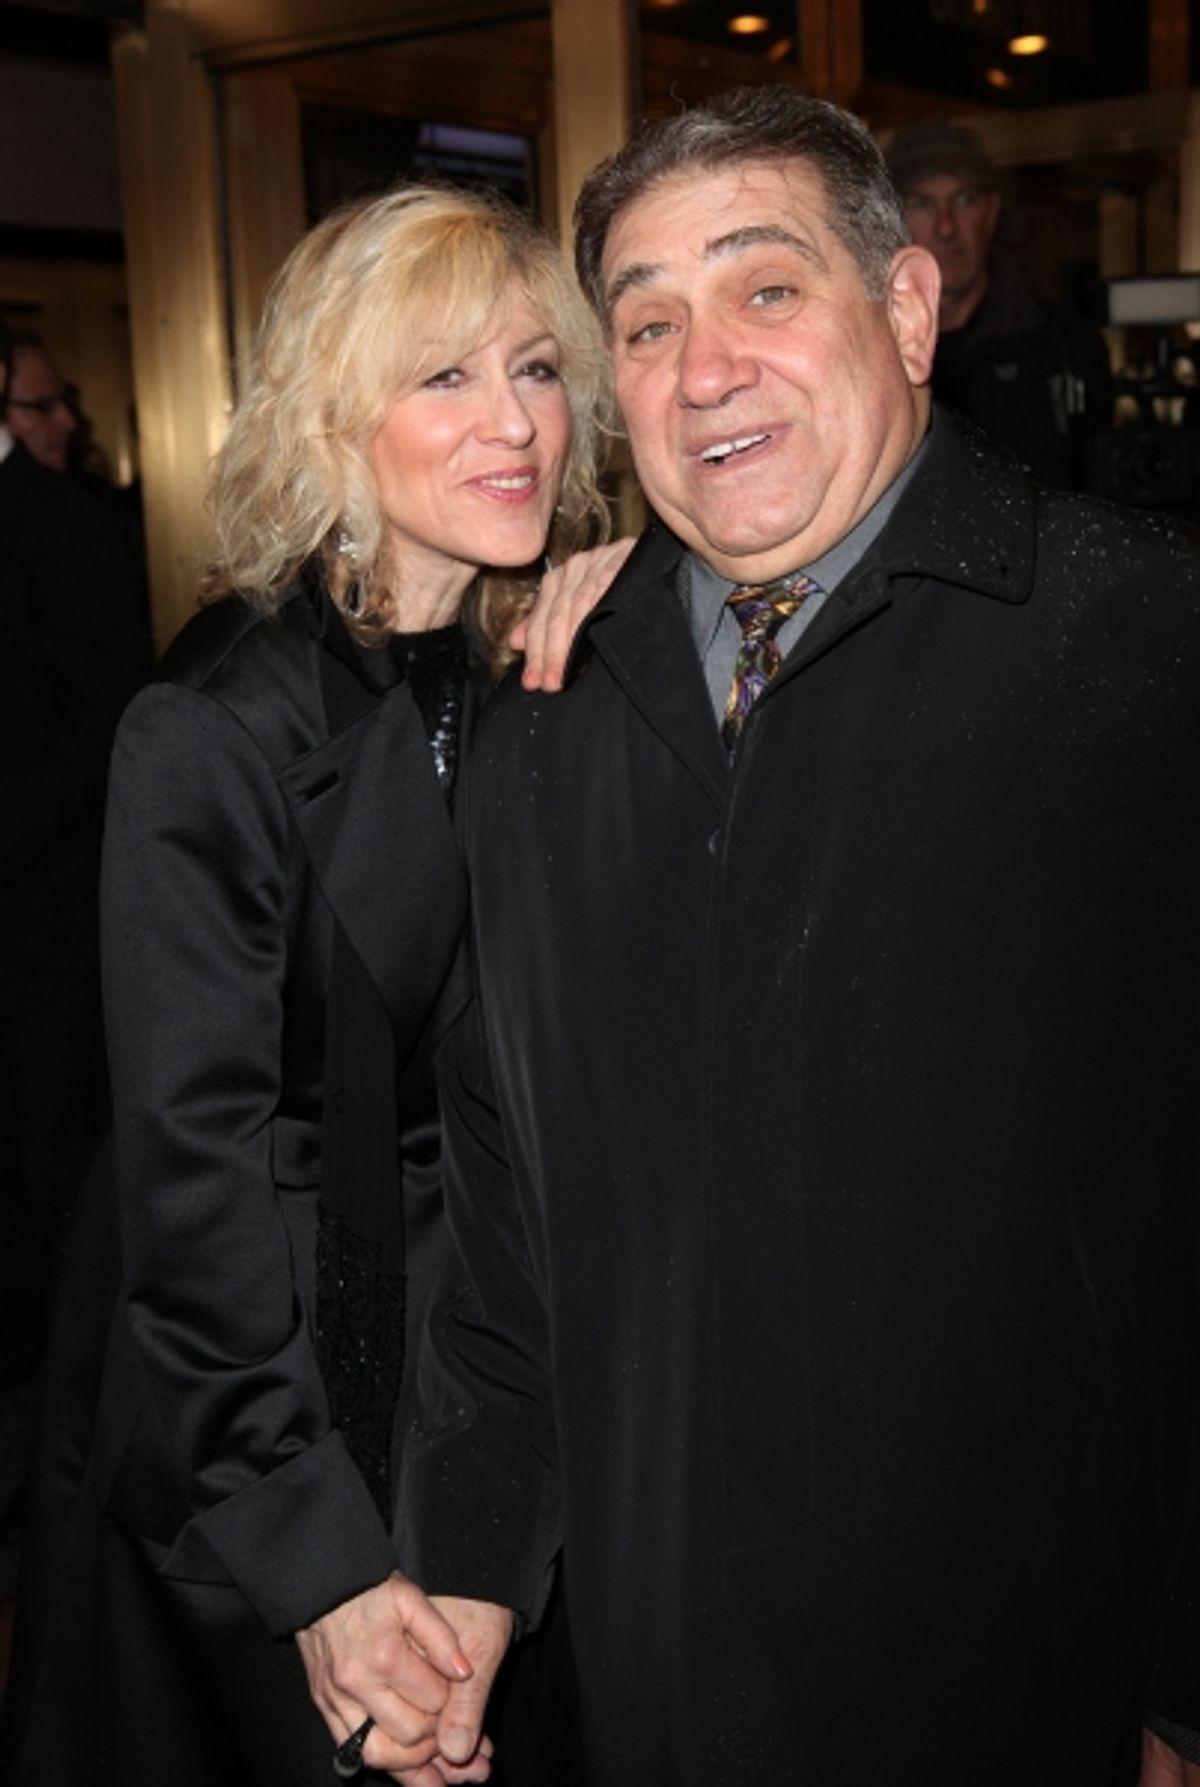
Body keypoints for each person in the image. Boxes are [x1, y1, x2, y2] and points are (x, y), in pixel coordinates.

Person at [393, 88, 1200, 1787]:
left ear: (908, 307)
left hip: (1027, 1672)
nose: (705, 369)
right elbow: (502, 1217)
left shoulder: (1134, 647)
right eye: (649, 321)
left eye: (767, 291)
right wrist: (470, 1563)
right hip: (650, 1675)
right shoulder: (550, 715)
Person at [0, 183, 631, 1787]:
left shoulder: (525, 667)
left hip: (485, 1365)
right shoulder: (215, 720)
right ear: (333, 420)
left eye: (538, 369)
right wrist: (325, 1566)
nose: (517, 424)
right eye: (444, 379)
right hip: (253, 1390)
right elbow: (190, 1179)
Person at [884, 116, 1112, 490]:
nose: (946, 227)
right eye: (921, 203)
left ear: (991, 212)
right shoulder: (866, 353)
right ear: (889, 221)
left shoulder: (1065, 346)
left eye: (965, 199)